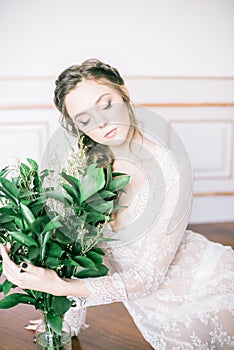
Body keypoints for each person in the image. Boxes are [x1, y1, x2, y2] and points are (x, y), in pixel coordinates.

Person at [0, 59, 234, 349]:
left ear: (123, 92)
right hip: (140, 302)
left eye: (106, 104)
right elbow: (75, 247)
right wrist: (67, 319)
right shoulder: (81, 161)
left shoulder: (171, 169)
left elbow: (148, 278)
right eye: (85, 119)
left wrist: (57, 286)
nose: (100, 123)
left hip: (197, 288)